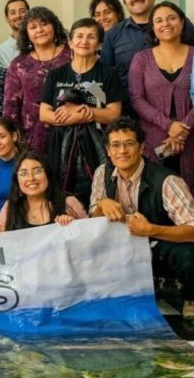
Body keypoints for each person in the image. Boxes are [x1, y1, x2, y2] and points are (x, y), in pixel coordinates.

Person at [90, 117, 194, 320]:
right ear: (108, 150)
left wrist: (151, 230)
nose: (122, 151)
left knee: (189, 255)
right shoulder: (102, 173)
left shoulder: (167, 181)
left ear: (141, 147)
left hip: (158, 246)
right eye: (116, 145)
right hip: (119, 249)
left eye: (129, 144)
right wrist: (101, 205)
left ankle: (191, 296)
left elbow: (192, 229)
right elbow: (91, 223)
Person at [40, 18, 123, 206]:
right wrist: (74, 118)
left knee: (102, 195)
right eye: (79, 36)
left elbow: (113, 113)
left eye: (91, 37)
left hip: (98, 146)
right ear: (70, 42)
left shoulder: (108, 74)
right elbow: (44, 113)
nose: (84, 41)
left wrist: (83, 112)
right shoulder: (56, 74)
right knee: (63, 200)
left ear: (99, 44)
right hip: (61, 146)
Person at [129, 2, 194, 192]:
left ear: (182, 23)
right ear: (153, 28)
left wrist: (183, 129)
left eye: (171, 18)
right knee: (157, 193)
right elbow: (136, 99)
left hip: (191, 138)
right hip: (154, 139)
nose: (166, 23)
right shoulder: (141, 59)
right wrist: (169, 126)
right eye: (159, 20)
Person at [101, 0, 194, 91]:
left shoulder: (179, 25)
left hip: (178, 102)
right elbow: (106, 76)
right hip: (128, 105)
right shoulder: (112, 35)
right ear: (124, 0)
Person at [3, 6, 71, 153]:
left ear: (54, 26)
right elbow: (11, 107)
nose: (39, 30)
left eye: (44, 24)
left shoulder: (72, 54)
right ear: (26, 33)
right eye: (33, 27)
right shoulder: (19, 64)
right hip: (33, 138)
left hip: (72, 132)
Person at [0, 151, 86, 233]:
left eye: (37, 171)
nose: (31, 178)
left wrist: (73, 226)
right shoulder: (9, 208)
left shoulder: (69, 203)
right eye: (23, 173)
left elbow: (89, 241)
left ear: (47, 175)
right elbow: (4, 247)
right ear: (17, 180)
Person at [0, 0, 30, 69]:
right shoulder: (0, 52)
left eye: (22, 11)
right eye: (13, 13)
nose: (18, 15)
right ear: (7, 19)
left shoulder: (41, 43)